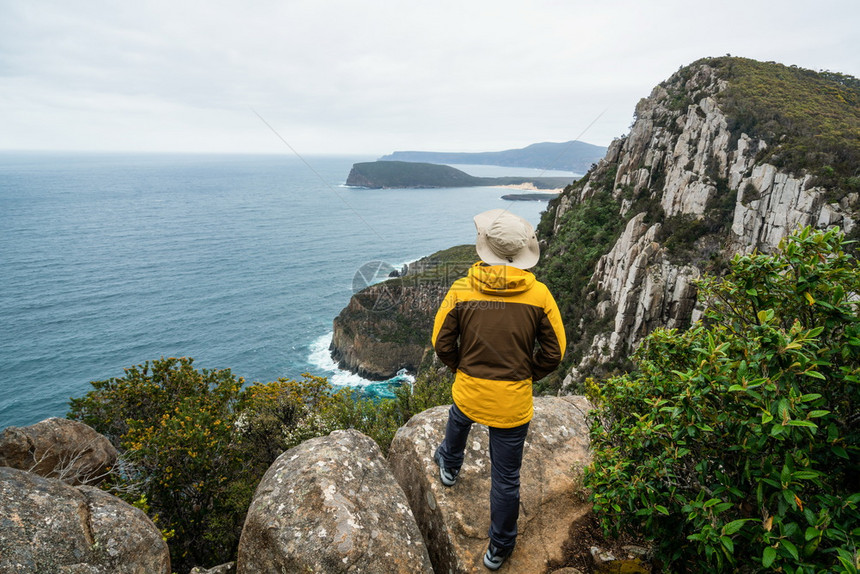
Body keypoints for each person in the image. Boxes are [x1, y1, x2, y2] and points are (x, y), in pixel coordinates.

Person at [431, 208, 566, 571]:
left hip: (469, 390)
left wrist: (462, 368)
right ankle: (500, 548)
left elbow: (441, 342)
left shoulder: (461, 290)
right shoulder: (539, 295)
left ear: (485, 248)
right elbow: (555, 353)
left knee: (458, 418)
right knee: (505, 479)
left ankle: (449, 464)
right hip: (512, 403)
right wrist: (527, 374)